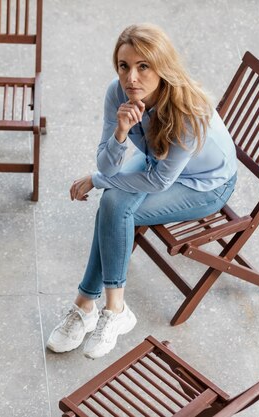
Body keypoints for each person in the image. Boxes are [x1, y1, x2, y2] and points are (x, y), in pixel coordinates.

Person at [46, 23, 238, 359]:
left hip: (206, 184)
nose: (131, 77)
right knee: (113, 202)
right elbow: (109, 165)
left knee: (114, 205)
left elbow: (158, 182)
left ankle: (95, 306)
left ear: (161, 66)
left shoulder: (187, 115)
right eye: (124, 66)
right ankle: (103, 308)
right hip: (158, 165)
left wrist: (95, 179)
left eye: (143, 66)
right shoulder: (117, 94)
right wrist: (121, 133)